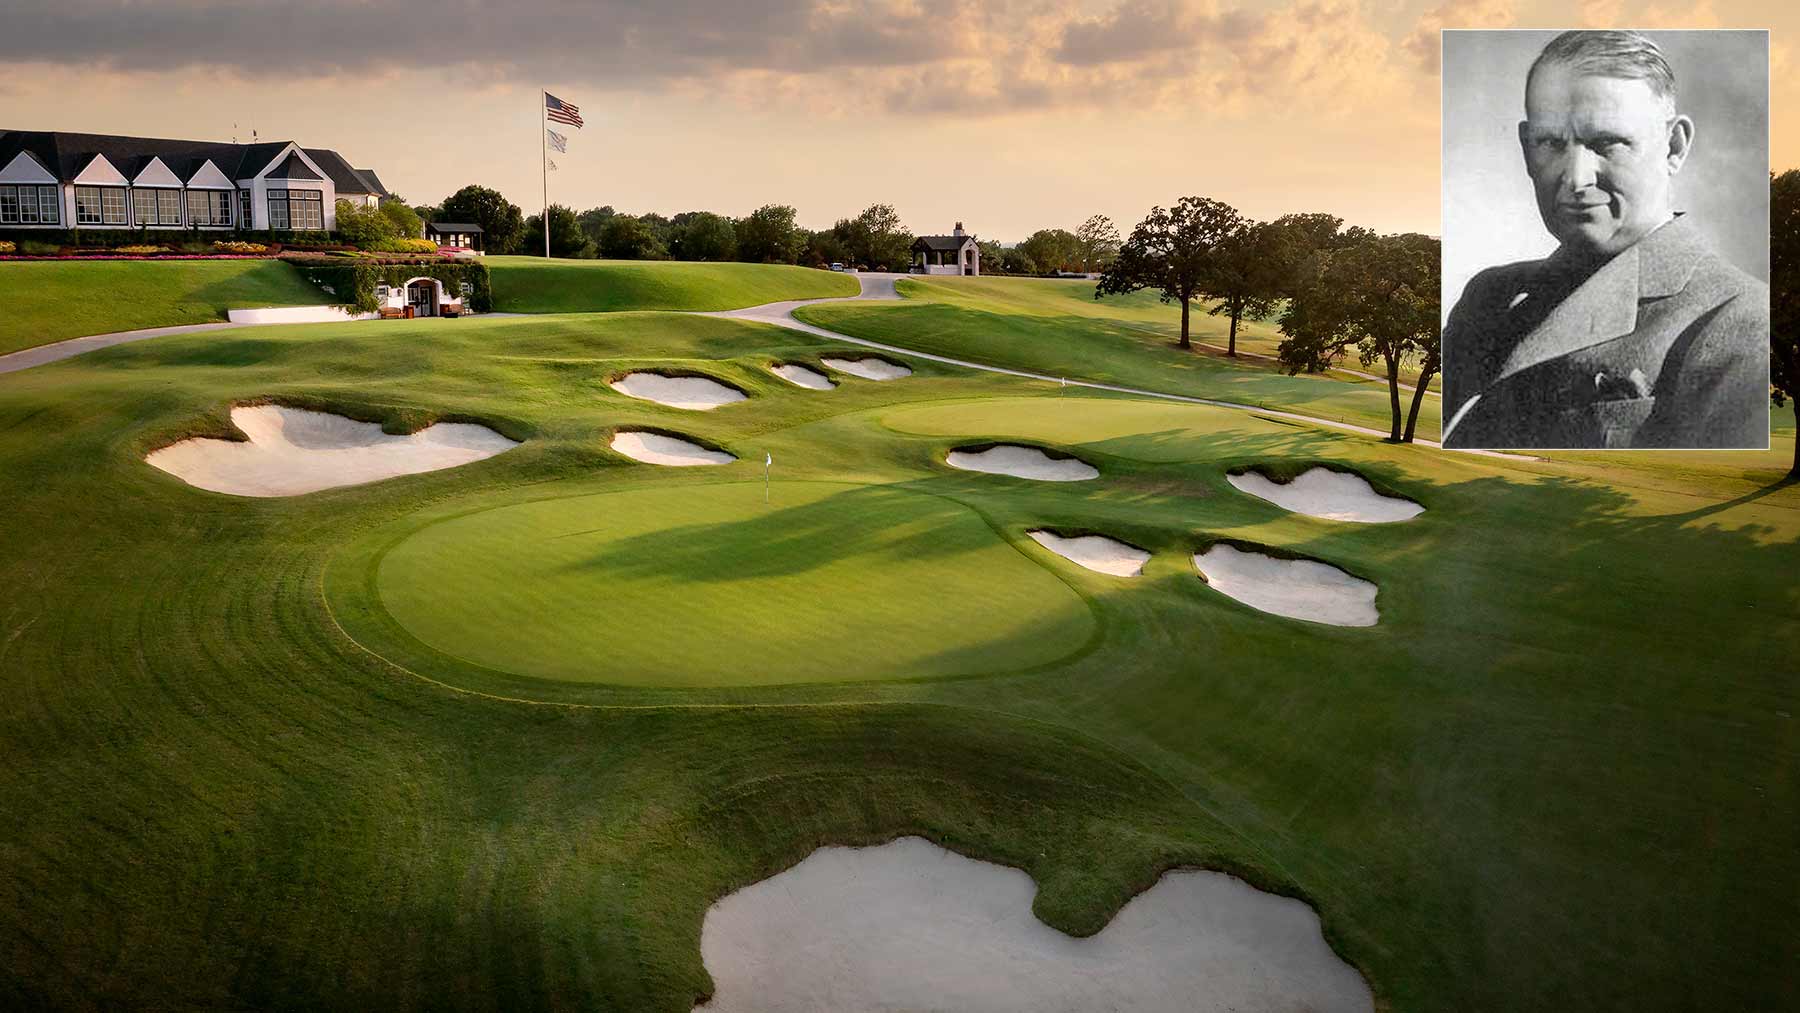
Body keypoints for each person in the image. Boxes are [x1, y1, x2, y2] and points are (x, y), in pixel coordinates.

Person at [1442, 30, 1768, 449]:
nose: (1576, 178)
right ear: (1526, 149)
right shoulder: (1489, 296)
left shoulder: (1742, 323)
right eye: (1550, 143)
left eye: (1606, 143)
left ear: (1674, 147)